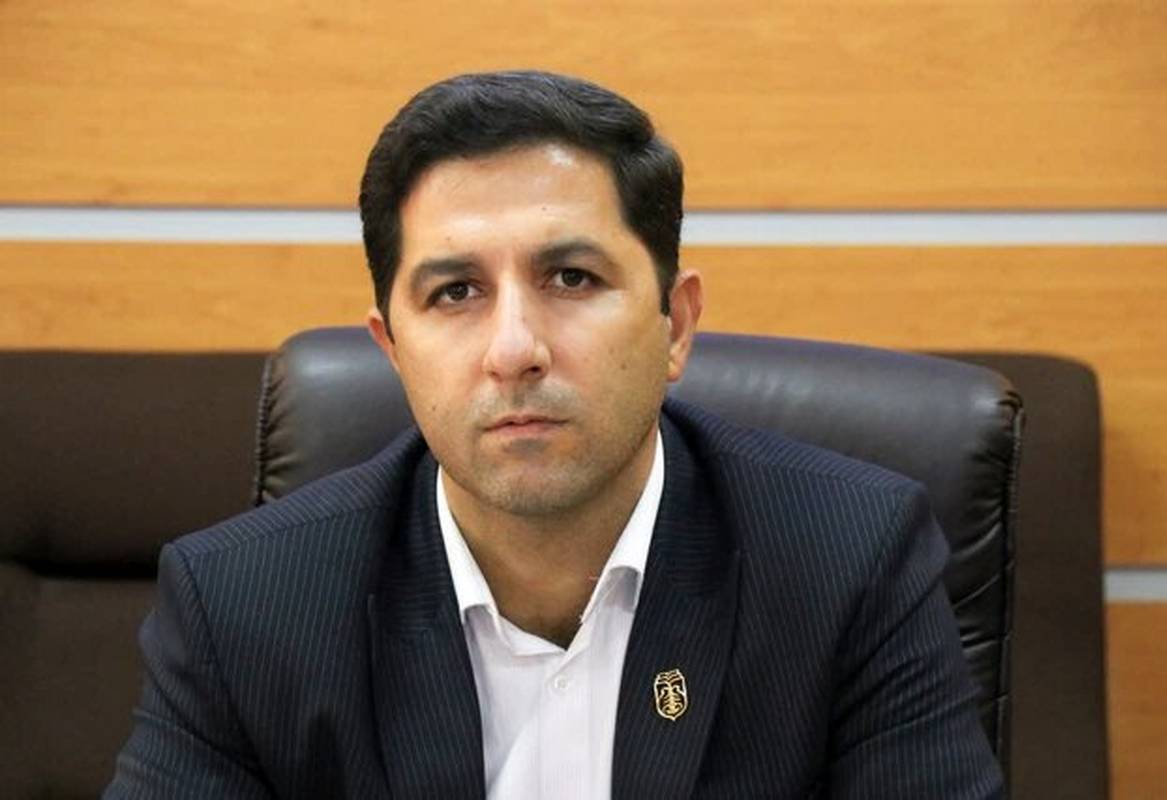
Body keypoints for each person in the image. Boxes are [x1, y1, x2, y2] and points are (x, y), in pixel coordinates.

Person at [105, 70, 1004, 799]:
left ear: (676, 325)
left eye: (571, 278)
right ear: (393, 350)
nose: (514, 350)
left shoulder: (849, 561)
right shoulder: (243, 606)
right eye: (455, 292)